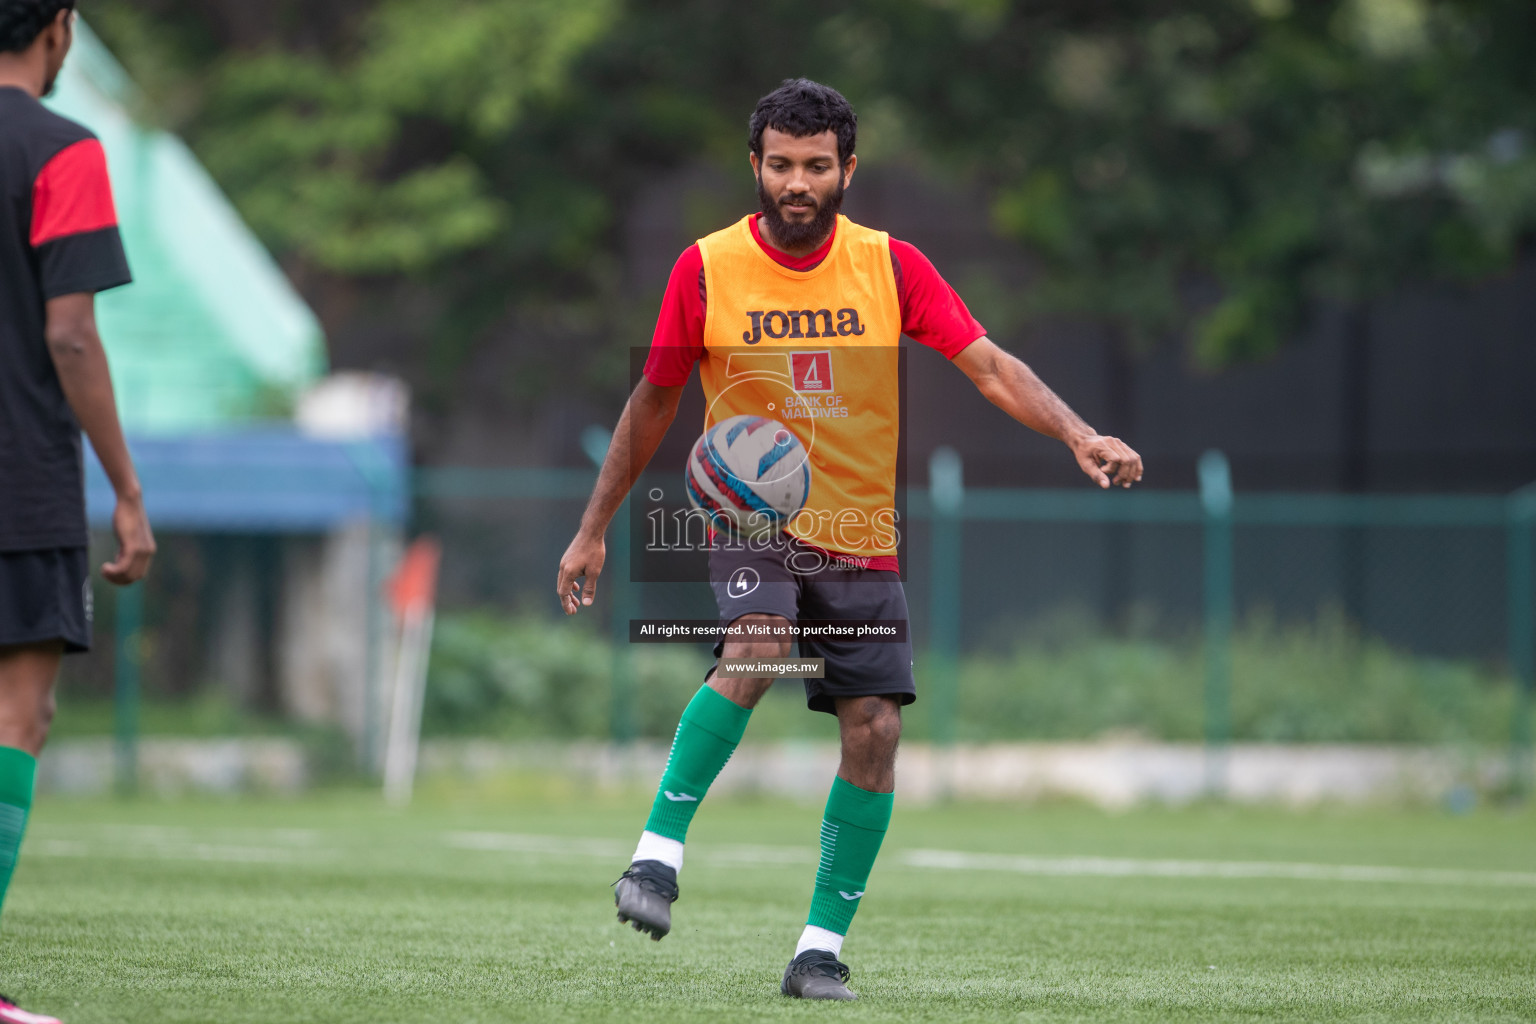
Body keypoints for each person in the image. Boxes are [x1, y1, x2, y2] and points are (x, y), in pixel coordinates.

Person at [555, 77, 1141, 1001]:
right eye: (781, 165)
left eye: (816, 167)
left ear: (847, 170)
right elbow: (657, 399)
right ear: (755, 166)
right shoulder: (705, 268)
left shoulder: (891, 267)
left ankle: (818, 950)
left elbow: (986, 365)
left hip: (861, 534)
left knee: (875, 730)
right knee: (760, 644)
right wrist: (593, 530)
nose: (798, 182)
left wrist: (1078, 432)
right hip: (752, 519)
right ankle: (655, 858)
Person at [0, 3, 154, 1021]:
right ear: (58, 28)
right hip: (19, 474)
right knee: (17, 716)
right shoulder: (62, 150)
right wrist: (129, 494)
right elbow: (68, 336)